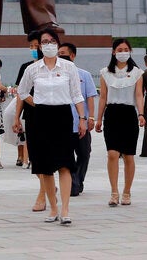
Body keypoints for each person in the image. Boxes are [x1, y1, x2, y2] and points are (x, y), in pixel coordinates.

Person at [13, 28, 88, 225]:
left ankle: (65, 209)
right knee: (45, 166)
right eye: (44, 42)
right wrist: (37, 102)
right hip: (40, 117)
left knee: (64, 164)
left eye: (51, 41)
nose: (48, 45)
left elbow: (77, 94)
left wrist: (82, 118)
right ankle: (53, 207)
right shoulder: (33, 69)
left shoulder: (68, 67)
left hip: (62, 115)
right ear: (39, 45)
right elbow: (21, 92)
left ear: (58, 43)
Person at [94, 38, 145, 207]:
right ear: (113, 52)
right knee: (112, 154)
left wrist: (141, 114)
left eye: (126, 49)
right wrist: (99, 118)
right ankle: (114, 191)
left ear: (130, 51)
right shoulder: (105, 73)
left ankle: (127, 191)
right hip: (112, 114)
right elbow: (102, 97)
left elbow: (139, 95)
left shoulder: (137, 72)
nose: (123, 52)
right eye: (119, 49)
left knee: (129, 155)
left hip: (129, 114)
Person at [61, 42, 97, 197]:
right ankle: (72, 183)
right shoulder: (57, 75)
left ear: (72, 55)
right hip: (63, 124)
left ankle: (77, 179)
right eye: (59, 54)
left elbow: (90, 97)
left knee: (84, 154)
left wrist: (90, 117)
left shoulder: (84, 75)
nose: (60, 56)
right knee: (66, 156)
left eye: (63, 53)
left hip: (81, 123)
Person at [13, 30, 42, 168]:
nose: (33, 49)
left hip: (51, 112)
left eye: (36, 45)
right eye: (31, 46)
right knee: (33, 145)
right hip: (31, 111)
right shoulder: (26, 67)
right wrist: (16, 116)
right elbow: (21, 93)